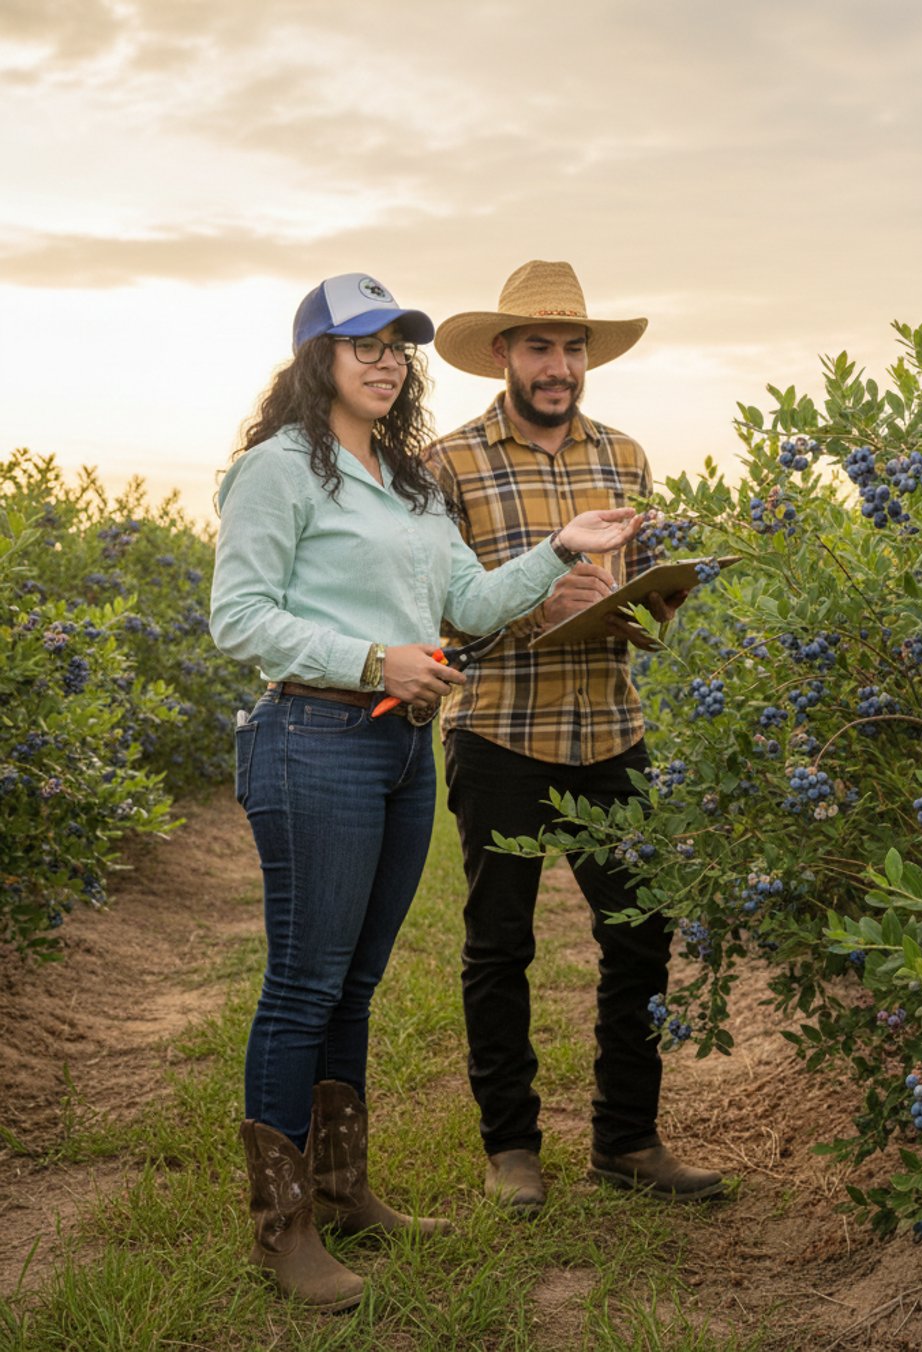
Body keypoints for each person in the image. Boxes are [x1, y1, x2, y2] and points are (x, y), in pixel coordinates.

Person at [210, 272, 642, 1311]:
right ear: (318, 358)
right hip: (312, 734)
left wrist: (556, 550)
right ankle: (284, 1227)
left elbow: (470, 600)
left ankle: (346, 1187)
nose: (387, 357)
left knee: (354, 984)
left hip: (400, 747)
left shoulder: (405, 479)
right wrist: (375, 659)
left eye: (399, 343)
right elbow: (240, 618)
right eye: (364, 341)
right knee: (303, 985)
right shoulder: (276, 471)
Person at [425, 259, 723, 1219]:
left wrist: (637, 609)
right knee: (498, 945)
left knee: (640, 937)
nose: (558, 365)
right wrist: (534, 603)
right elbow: (437, 612)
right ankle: (511, 1149)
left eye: (572, 348)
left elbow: (642, 608)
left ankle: (628, 1140)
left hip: (611, 726)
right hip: (500, 729)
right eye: (540, 347)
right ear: (503, 354)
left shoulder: (626, 457)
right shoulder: (448, 463)